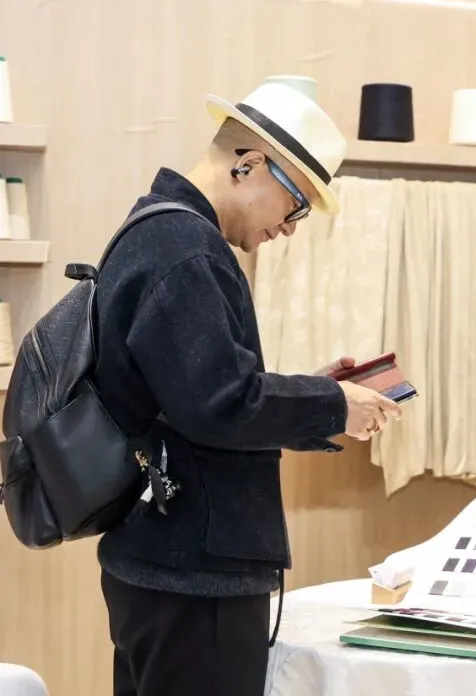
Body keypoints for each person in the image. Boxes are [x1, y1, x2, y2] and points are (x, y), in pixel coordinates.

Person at [93, 82, 402, 696]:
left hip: (165, 563)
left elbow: (199, 391)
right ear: (250, 164)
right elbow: (219, 405)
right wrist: (333, 404)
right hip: (193, 576)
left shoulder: (161, 233)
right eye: (296, 203)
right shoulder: (185, 249)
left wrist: (317, 395)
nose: (289, 228)